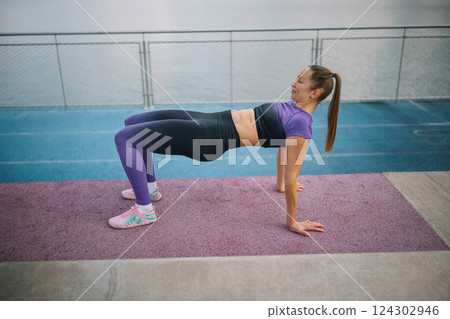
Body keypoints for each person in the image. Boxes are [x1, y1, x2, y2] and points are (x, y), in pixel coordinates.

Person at [110, 65, 341, 237]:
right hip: (212, 120)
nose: (293, 83)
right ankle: (149, 190)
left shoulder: (302, 124)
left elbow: (293, 175)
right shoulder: (293, 107)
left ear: (315, 93)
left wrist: (292, 221)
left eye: (300, 81)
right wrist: (279, 184)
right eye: (296, 78)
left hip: (209, 137)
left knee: (125, 139)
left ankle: (144, 210)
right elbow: (283, 147)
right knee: (132, 122)